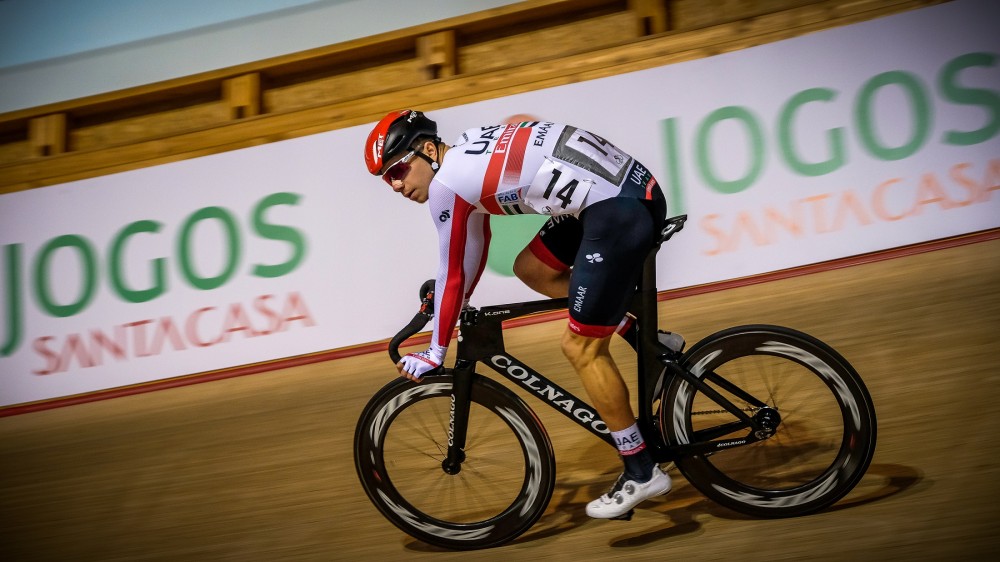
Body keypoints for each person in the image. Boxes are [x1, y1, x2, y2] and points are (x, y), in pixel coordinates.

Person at [364, 109, 672, 519]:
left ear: (425, 149)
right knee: (533, 268)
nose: (397, 184)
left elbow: (453, 269)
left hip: (617, 211)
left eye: (398, 169)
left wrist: (435, 351)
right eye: (387, 178)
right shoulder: (467, 146)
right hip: (626, 189)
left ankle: (641, 469)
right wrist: (451, 303)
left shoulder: (445, 185)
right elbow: (519, 124)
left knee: (581, 349)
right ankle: (646, 339)